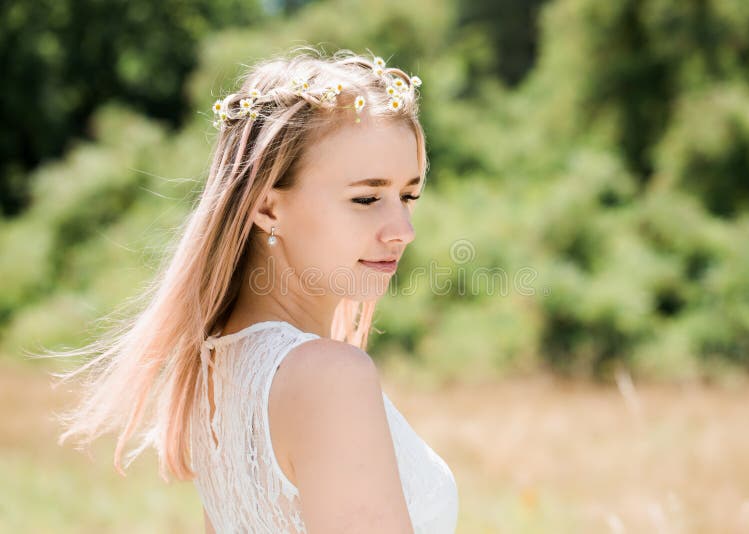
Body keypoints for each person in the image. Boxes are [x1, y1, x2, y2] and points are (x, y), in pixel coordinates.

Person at [47, 46, 459, 533]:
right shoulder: (328, 376)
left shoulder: (219, 366)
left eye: (408, 196)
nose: (402, 229)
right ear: (267, 207)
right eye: (366, 198)